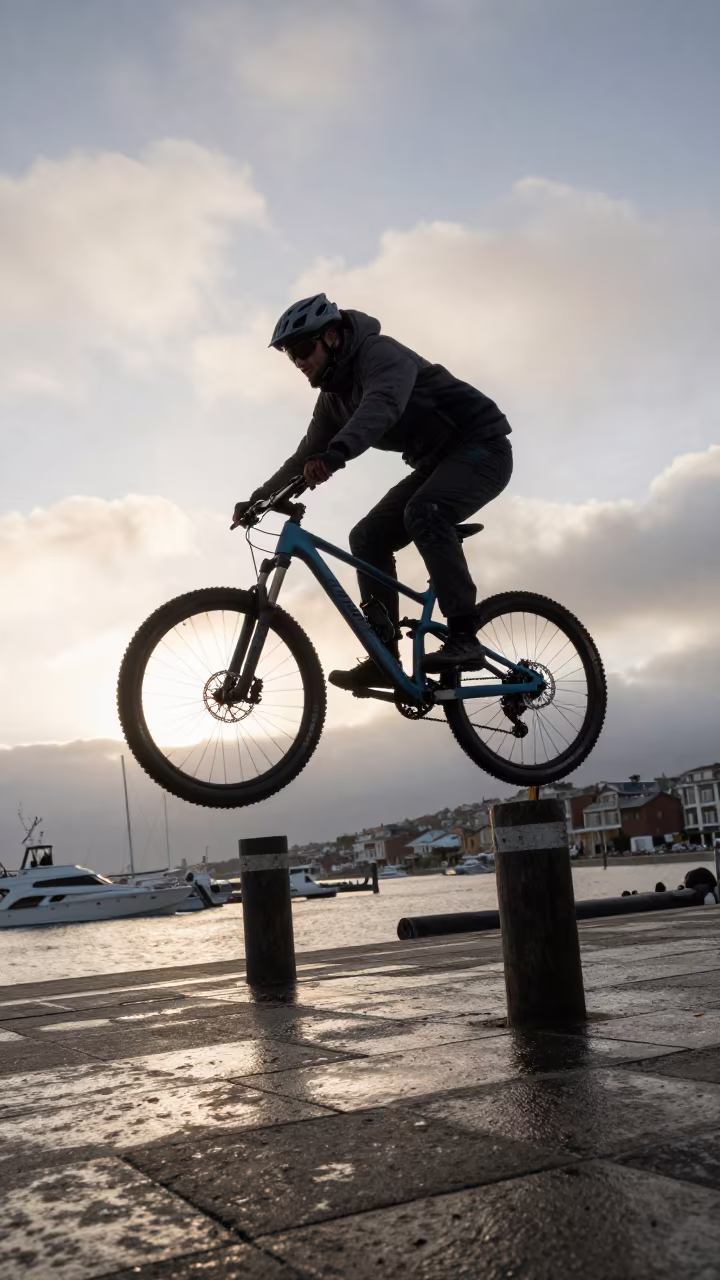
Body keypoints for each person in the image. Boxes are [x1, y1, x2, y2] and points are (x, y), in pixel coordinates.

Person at [233, 295, 513, 690]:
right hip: (437, 463)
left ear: (331, 337)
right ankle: (385, 656)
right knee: (367, 537)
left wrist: (337, 455)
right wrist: (257, 499)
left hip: (482, 447)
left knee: (425, 511)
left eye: (302, 349)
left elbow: (383, 405)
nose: (298, 361)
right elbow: (304, 455)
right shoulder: (332, 398)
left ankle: (465, 637)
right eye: (290, 356)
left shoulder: (379, 354)